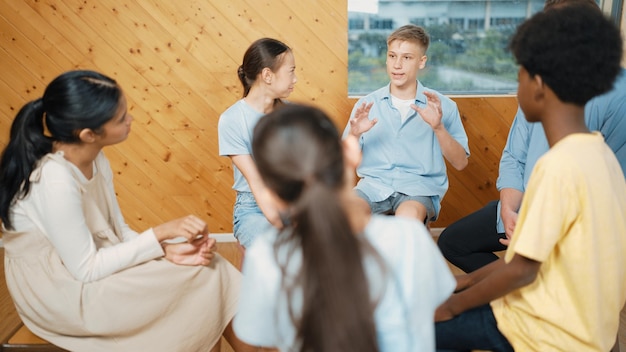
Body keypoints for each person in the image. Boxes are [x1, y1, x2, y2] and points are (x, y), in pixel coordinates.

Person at [0, 70, 252, 352]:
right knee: (204, 278)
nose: (130, 120)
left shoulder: (95, 157)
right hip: (61, 293)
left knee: (206, 264)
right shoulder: (55, 178)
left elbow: (118, 231)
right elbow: (86, 269)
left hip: (88, 265)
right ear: (88, 134)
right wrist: (161, 234)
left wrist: (168, 249)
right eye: (121, 118)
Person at [434, 4, 626, 351]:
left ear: (538, 85)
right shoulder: (596, 155)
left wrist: (450, 305)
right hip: (579, 324)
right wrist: (462, 285)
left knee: (424, 326)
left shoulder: (558, 167)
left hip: (549, 332)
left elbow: (521, 269)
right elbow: (522, 258)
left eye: (519, 74)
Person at [233, 104, 455, 351]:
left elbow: (256, 337)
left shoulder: (267, 253)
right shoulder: (409, 237)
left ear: (273, 196)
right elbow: (437, 310)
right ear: (351, 153)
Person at [343, 24, 470, 224]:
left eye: (407, 57)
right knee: (346, 216)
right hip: (373, 187)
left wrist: (438, 128)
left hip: (418, 190)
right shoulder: (367, 105)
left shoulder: (443, 106)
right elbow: (343, 161)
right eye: (392, 56)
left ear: (421, 61)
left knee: (407, 220)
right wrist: (354, 135)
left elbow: (461, 163)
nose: (397, 65)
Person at [218, 37, 297, 249]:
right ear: (267, 75)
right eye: (291, 71)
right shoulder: (232, 119)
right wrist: (288, 226)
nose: (295, 79)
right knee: (278, 249)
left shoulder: (292, 114)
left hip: (293, 201)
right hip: (252, 207)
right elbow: (258, 184)